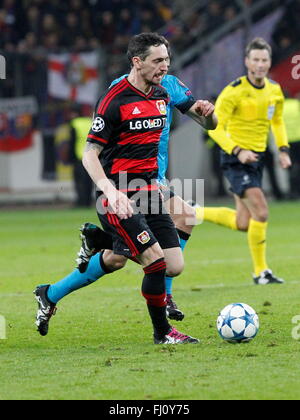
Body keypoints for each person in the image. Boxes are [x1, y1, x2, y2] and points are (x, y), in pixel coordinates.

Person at [34, 33, 214, 344]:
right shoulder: (116, 96)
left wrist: (209, 115)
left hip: (150, 187)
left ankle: (77, 264)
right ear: (137, 62)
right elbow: (90, 152)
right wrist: (111, 190)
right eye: (158, 61)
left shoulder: (163, 92)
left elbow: (205, 123)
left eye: (167, 60)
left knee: (167, 264)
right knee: (155, 261)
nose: (165, 66)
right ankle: (163, 332)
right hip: (118, 193)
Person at [195, 37, 291, 285]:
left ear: (269, 62)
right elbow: (214, 128)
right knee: (261, 210)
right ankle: (261, 272)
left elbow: (277, 121)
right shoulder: (233, 91)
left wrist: (282, 149)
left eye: (264, 60)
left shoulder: (274, 90)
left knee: (243, 222)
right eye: (255, 59)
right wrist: (238, 151)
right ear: (247, 62)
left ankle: (192, 211)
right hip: (235, 158)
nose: (260, 64)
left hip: (257, 158)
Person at [68, 106, 94, 207]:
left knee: (79, 181)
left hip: (79, 157)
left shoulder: (75, 123)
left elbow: (72, 141)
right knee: (89, 181)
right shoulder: (89, 121)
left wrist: (70, 157)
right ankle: (88, 202)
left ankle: (81, 202)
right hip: (92, 157)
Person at [282, 95, 300, 199]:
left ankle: (293, 192)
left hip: (287, 141)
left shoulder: (279, 107)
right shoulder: (296, 104)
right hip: (299, 138)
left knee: (290, 167)